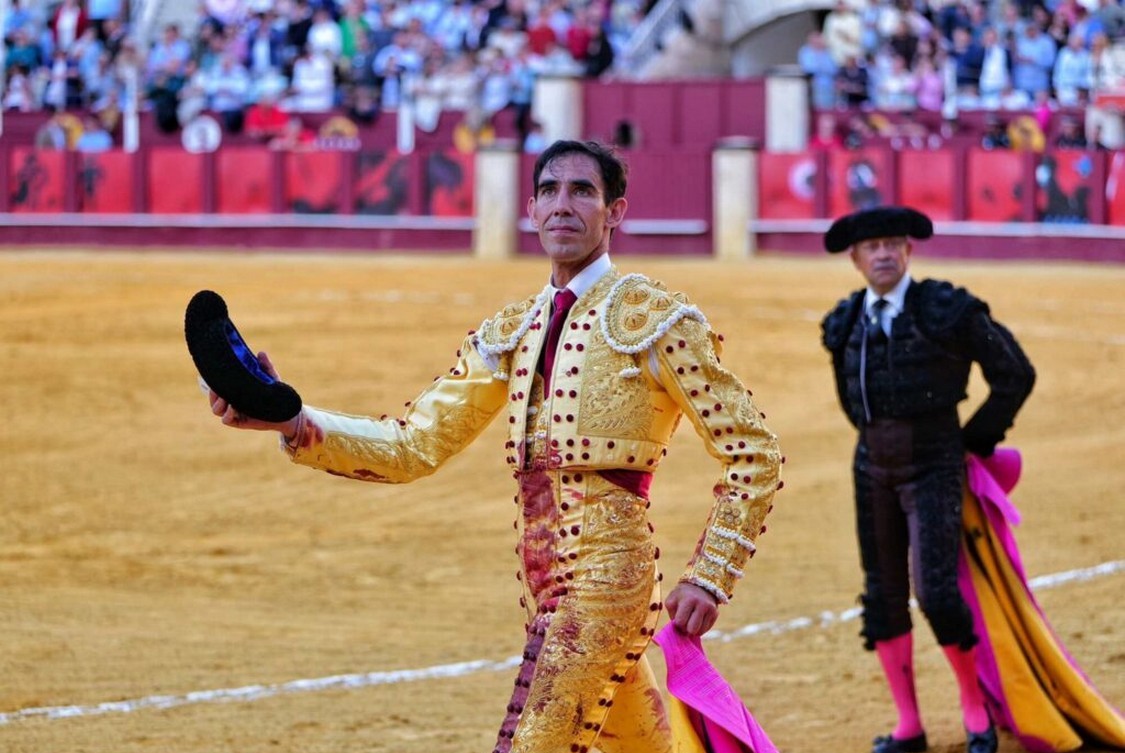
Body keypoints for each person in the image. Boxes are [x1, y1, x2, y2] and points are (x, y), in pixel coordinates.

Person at [201, 139, 783, 753]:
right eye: (550, 191)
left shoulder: (656, 320)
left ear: (615, 211)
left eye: (583, 191)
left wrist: (710, 576)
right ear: (530, 208)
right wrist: (292, 421)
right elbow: (413, 445)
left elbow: (753, 451)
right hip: (545, 588)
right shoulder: (511, 332)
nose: (564, 205)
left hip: (610, 584)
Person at [819, 206, 1036, 753]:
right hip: (871, 467)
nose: (884, 253)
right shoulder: (845, 321)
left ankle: (975, 713)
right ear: (856, 259)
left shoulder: (946, 309)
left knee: (936, 592)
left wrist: (973, 440)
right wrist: (876, 436)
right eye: (873, 247)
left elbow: (1015, 372)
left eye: (894, 243)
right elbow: (851, 397)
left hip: (935, 461)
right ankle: (909, 726)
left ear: (909, 251)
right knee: (884, 596)